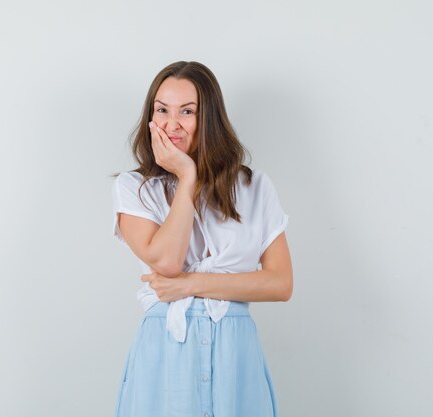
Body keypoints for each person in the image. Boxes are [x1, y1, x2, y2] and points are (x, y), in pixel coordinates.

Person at [110, 61, 293, 417]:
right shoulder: (134, 188)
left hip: (235, 354)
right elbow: (165, 262)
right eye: (161, 110)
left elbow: (280, 283)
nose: (171, 123)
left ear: (208, 118)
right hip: (165, 353)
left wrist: (190, 284)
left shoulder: (254, 187)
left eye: (187, 111)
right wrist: (187, 176)